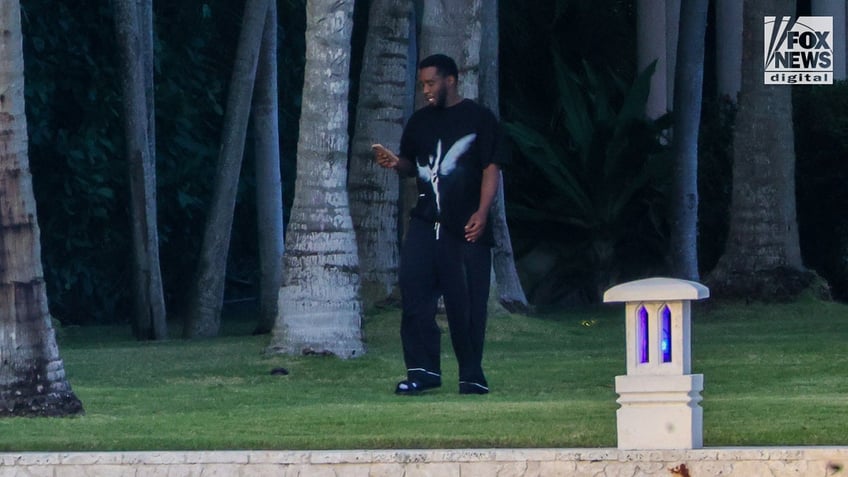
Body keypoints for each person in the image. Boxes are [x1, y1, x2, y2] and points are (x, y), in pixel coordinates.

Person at [372, 54, 506, 395]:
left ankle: (471, 375)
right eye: (422, 85)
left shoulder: (479, 119)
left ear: (451, 80)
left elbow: (492, 167)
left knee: (467, 303)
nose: (426, 90)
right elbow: (410, 166)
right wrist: (395, 163)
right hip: (424, 221)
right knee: (415, 292)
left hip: (464, 225)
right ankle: (422, 371)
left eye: (431, 83)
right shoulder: (419, 122)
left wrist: (482, 211)